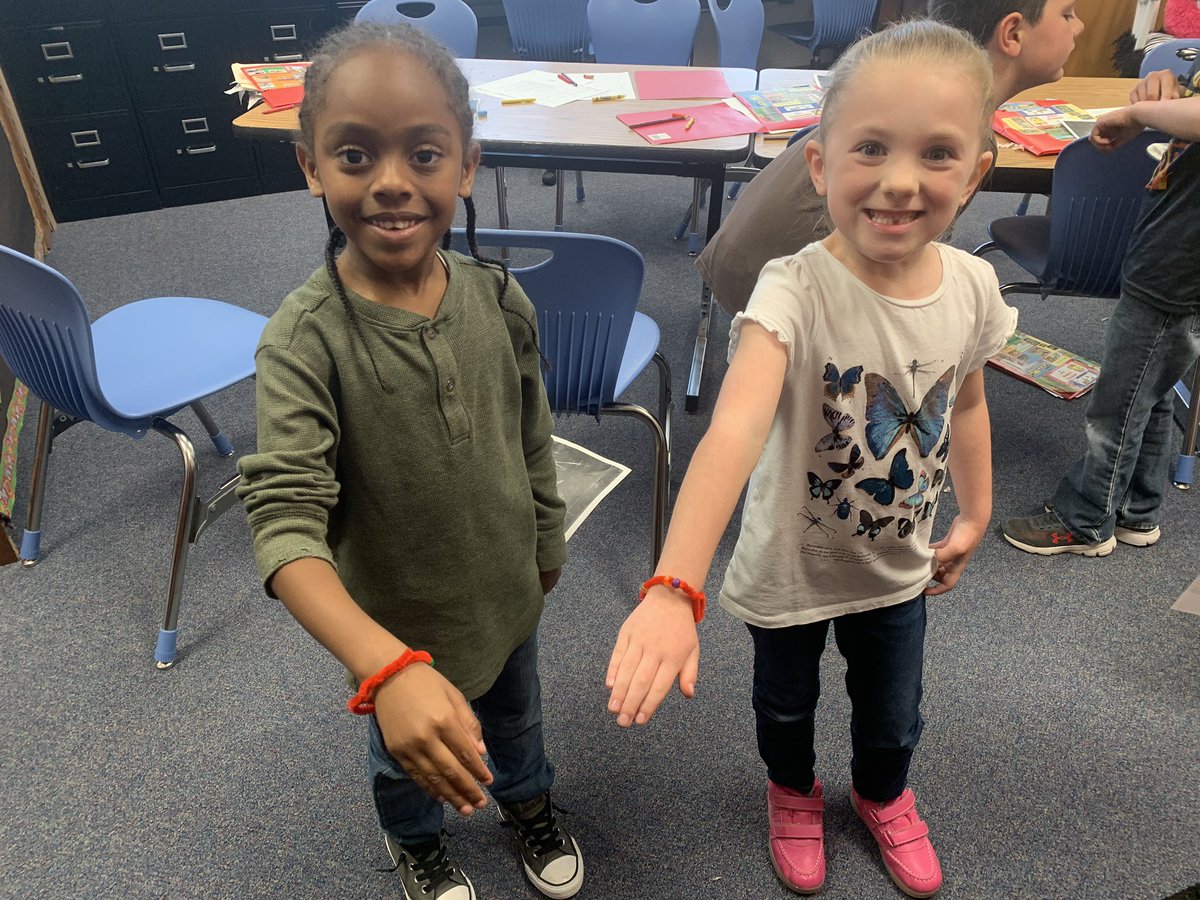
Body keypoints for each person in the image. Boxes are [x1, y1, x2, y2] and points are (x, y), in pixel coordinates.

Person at [606, 20, 1017, 899]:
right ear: (821, 165)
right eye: (870, 147)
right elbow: (732, 432)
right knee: (784, 707)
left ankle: (882, 794)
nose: (901, 181)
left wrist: (976, 514)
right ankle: (792, 793)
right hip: (790, 569)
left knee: (893, 713)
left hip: (898, 565)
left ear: (977, 173)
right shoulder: (793, 287)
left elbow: (970, 401)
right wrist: (674, 583)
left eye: (938, 153)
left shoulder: (975, 285)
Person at [235, 22, 583, 900]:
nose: (391, 182)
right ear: (311, 167)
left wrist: (547, 540)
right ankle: (417, 843)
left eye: (424, 154)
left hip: (507, 594)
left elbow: (530, 432)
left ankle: (529, 803)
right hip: (395, 627)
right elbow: (283, 525)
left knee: (517, 719)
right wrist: (385, 666)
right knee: (406, 759)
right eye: (354, 156)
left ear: (466, 165)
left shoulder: (502, 301)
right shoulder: (303, 342)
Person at [696, 0, 1085, 317]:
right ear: (1013, 33)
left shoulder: (899, 93)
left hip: (742, 266)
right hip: (772, 293)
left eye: (937, 154)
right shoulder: (958, 130)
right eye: (1068, 14)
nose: (1079, 27)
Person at [1002, 60, 1200, 555]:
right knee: (1148, 390)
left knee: (1117, 403)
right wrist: (1169, 98)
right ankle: (1138, 509)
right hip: (1169, 249)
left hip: (1178, 265)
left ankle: (1086, 518)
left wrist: (1143, 114)